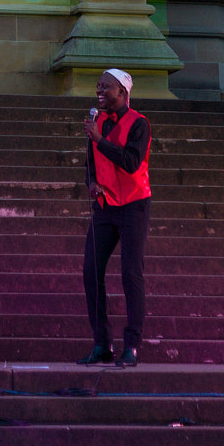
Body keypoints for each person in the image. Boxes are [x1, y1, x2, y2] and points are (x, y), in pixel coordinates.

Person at [78, 66, 152, 368]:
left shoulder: (139, 124)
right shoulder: (98, 122)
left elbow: (132, 163)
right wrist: (91, 182)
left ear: (122, 91)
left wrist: (99, 139)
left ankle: (131, 346)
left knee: (130, 274)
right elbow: (91, 163)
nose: (99, 90)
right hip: (105, 206)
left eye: (105, 86)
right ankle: (102, 343)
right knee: (91, 271)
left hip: (134, 205)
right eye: (98, 85)